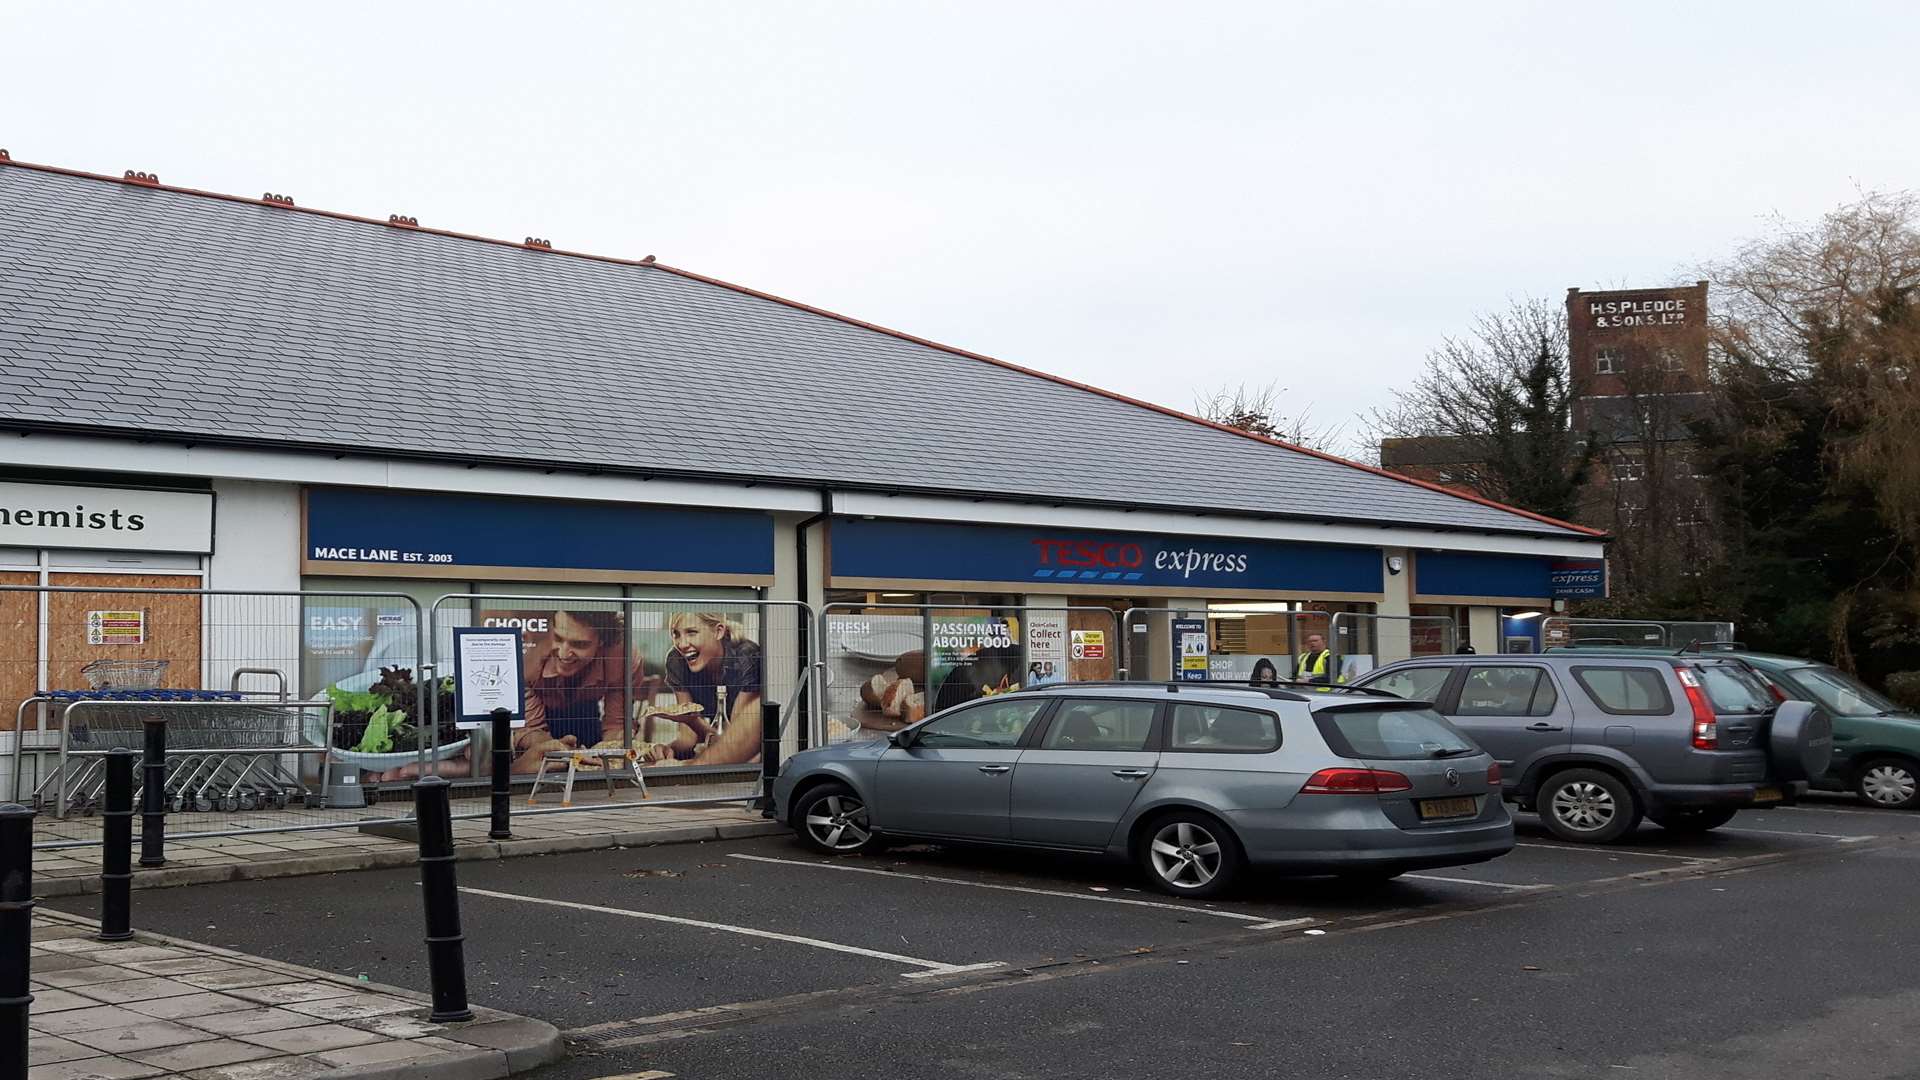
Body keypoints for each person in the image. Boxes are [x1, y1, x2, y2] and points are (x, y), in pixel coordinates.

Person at [644, 612, 765, 767]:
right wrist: (668, 750)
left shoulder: (746, 658)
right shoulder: (677, 661)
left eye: (691, 633)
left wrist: (693, 721)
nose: (682, 644)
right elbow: (688, 738)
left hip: (750, 760)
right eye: (676, 634)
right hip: (717, 755)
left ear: (718, 631)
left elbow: (734, 745)